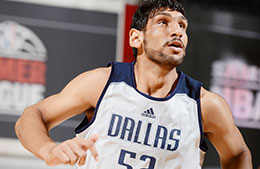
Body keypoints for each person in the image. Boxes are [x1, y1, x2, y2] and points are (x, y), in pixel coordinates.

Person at [15, 0, 252, 168]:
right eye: (163, 22)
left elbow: (238, 153)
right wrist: (49, 150)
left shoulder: (204, 104)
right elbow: (31, 116)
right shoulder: (103, 84)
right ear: (136, 37)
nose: (177, 31)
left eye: (182, 26)